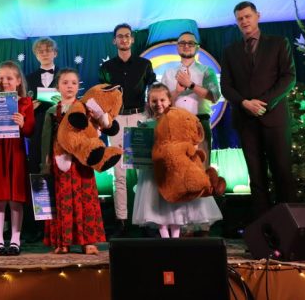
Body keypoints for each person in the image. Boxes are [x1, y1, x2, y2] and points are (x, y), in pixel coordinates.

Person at [221, 1, 296, 218]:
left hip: (275, 119)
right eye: (240, 18)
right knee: (256, 178)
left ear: (258, 16)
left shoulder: (279, 43)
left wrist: (263, 103)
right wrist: (245, 103)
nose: (244, 21)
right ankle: (264, 227)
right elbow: (226, 86)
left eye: (248, 16)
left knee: (282, 173)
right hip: (246, 121)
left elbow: (289, 78)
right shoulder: (230, 51)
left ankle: (289, 227)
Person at [132, 83, 222, 238]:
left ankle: (175, 239)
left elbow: (191, 140)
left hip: (174, 172)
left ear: (169, 100)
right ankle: (165, 239)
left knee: (176, 207)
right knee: (157, 207)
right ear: (149, 102)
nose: (158, 104)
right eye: (154, 101)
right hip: (154, 173)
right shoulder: (145, 125)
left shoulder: (178, 120)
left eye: (162, 100)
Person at [98, 23, 156, 235]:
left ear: (132, 39)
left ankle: (147, 220)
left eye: (127, 36)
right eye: (120, 36)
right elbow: (102, 94)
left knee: (143, 172)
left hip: (140, 117)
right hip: (116, 120)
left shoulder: (144, 64)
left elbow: (153, 88)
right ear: (114, 41)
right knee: (119, 173)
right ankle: (121, 221)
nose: (124, 39)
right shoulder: (106, 67)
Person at [41, 68, 106, 254]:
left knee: (86, 198)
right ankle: (63, 241)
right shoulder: (52, 111)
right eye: (65, 83)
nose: (69, 86)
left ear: (78, 87)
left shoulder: (87, 108)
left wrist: (96, 119)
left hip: (81, 162)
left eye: (73, 83)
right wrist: (45, 163)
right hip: (60, 160)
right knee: (62, 199)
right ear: (57, 87)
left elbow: (98, 130)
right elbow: (46, 139)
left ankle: (88, 242)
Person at [0, 61, 35, 256]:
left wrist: (23, 123)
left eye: (9, 78)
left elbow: (30, 130)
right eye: (1, 78)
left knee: (16, 199)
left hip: (16, 153)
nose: (5, 81)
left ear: (18, 80)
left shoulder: (26, 103)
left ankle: (15, 239)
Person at [161, 31, 221, 162]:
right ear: (177, 47)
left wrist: (191, 85)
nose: (186, 46)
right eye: (182, 43)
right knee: (177, 166)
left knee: (202, 166)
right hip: (175, 125)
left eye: (191, 43)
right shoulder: (168, 73)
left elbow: (215, 96)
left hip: (200, 123)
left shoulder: (207, 71)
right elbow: (162, 104)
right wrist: (177, 91)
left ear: (197, 47)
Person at [24, 37, 59, 242]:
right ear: (36, 55)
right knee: (38, 174)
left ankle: (60, 223)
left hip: (59, 129)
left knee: (60, 173)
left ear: (55, 53)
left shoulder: (63, 76)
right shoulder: (28, 78)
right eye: (41, 51)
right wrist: (30, 107)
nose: (45, 54)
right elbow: (22, 106)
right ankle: (40, 226)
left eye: (48, 50)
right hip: (37, 130)